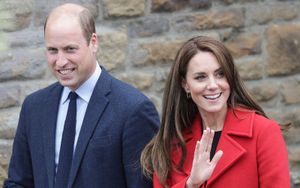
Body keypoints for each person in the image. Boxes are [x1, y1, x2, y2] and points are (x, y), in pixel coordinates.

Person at [4, 3, 160, 188]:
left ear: (93, 42)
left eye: (70, 49)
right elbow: (18, 182)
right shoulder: (34, 107)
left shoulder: (134, 109)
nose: (60, 61)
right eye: (53, 50)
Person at [141, 36, 290, 188]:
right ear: (185, 84)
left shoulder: (263, 132)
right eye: (200, 77)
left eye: (220, 74)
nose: (212, 85)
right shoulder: (171, 144)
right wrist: (191, 184)